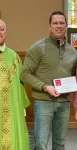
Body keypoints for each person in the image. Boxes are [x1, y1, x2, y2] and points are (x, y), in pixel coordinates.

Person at [20, 11, 77, 150]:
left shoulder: (73, 52)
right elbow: (24, 74)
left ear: (66, 26)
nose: (59, 26)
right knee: (41, 143)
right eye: (55, 23)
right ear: (49, 26)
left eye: (62, 23)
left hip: (64, 103)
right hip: (43, 102)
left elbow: (76, 77)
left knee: (60, 143)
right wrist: (45, 87)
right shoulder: (37, 48)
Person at [0, 20, 30, 150]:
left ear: (5, 32)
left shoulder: (14, 57)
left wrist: (21, 106)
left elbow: (20, 85)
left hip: (11, 108)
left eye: (1, 29)